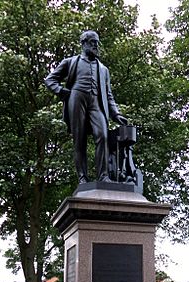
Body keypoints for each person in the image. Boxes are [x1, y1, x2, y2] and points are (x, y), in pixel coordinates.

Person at [44, 30, 127, 184]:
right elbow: (50, 80)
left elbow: (108, 94)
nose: (96, 45)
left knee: (102, 135)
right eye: (92, 42)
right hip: (76, 99)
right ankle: (82, 177)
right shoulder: (70, 62)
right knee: (79, 140)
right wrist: (61, 91)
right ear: (83, 43)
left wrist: (115, 114)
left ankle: (103, 176)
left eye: (97, 42)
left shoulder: (103, 69)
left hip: (97, 102)